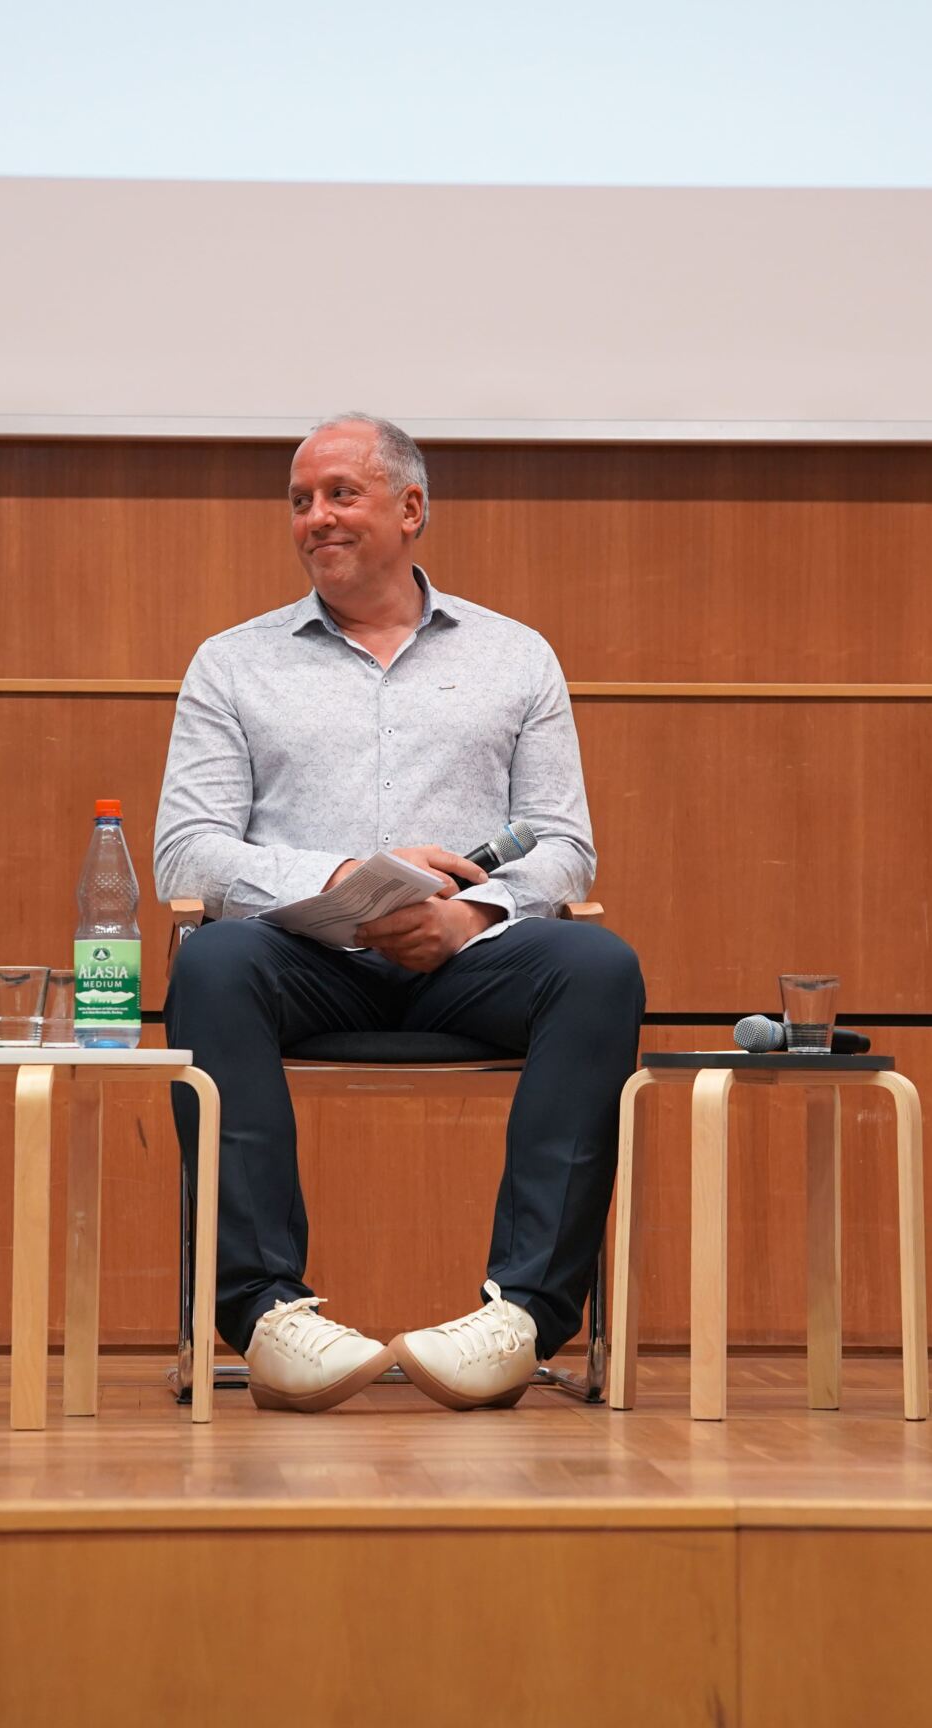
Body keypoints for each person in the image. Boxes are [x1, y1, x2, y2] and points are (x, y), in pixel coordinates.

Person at [155, 413, 646, 1411]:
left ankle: (521, 1315)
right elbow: (189, 847)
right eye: (300, 501)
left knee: (599, 969)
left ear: (412, 509)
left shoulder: (516, 657)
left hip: (465, 957)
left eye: (341, 493)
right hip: (306, 953)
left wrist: (473, 915)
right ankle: (265, 1315)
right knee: (209, 966)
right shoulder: (231, 663)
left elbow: (563, 845)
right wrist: (339, 880)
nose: (315, 517)